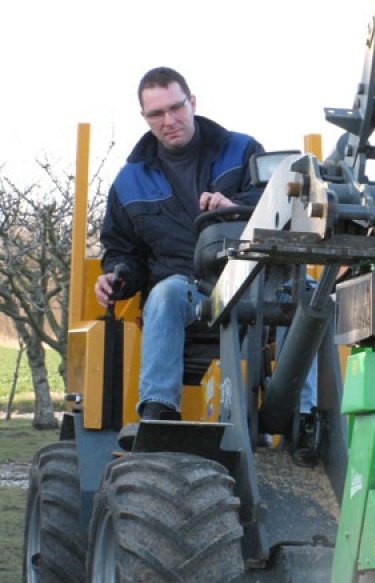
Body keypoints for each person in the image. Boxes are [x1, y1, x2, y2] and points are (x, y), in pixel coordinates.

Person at [95, 66, 264, 420]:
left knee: (309, 296)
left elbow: (277, 211)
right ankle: (159, 411)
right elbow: (123, 250)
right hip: (190, 289)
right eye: (157, 113)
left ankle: (310, 417)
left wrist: (237, 210)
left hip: (252, 280)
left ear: (192, 102)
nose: (169, 120)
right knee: (166, 293)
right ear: (144, 117)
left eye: (176, 107)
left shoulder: (242, 150)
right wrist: (117, 276)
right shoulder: (129, 182)